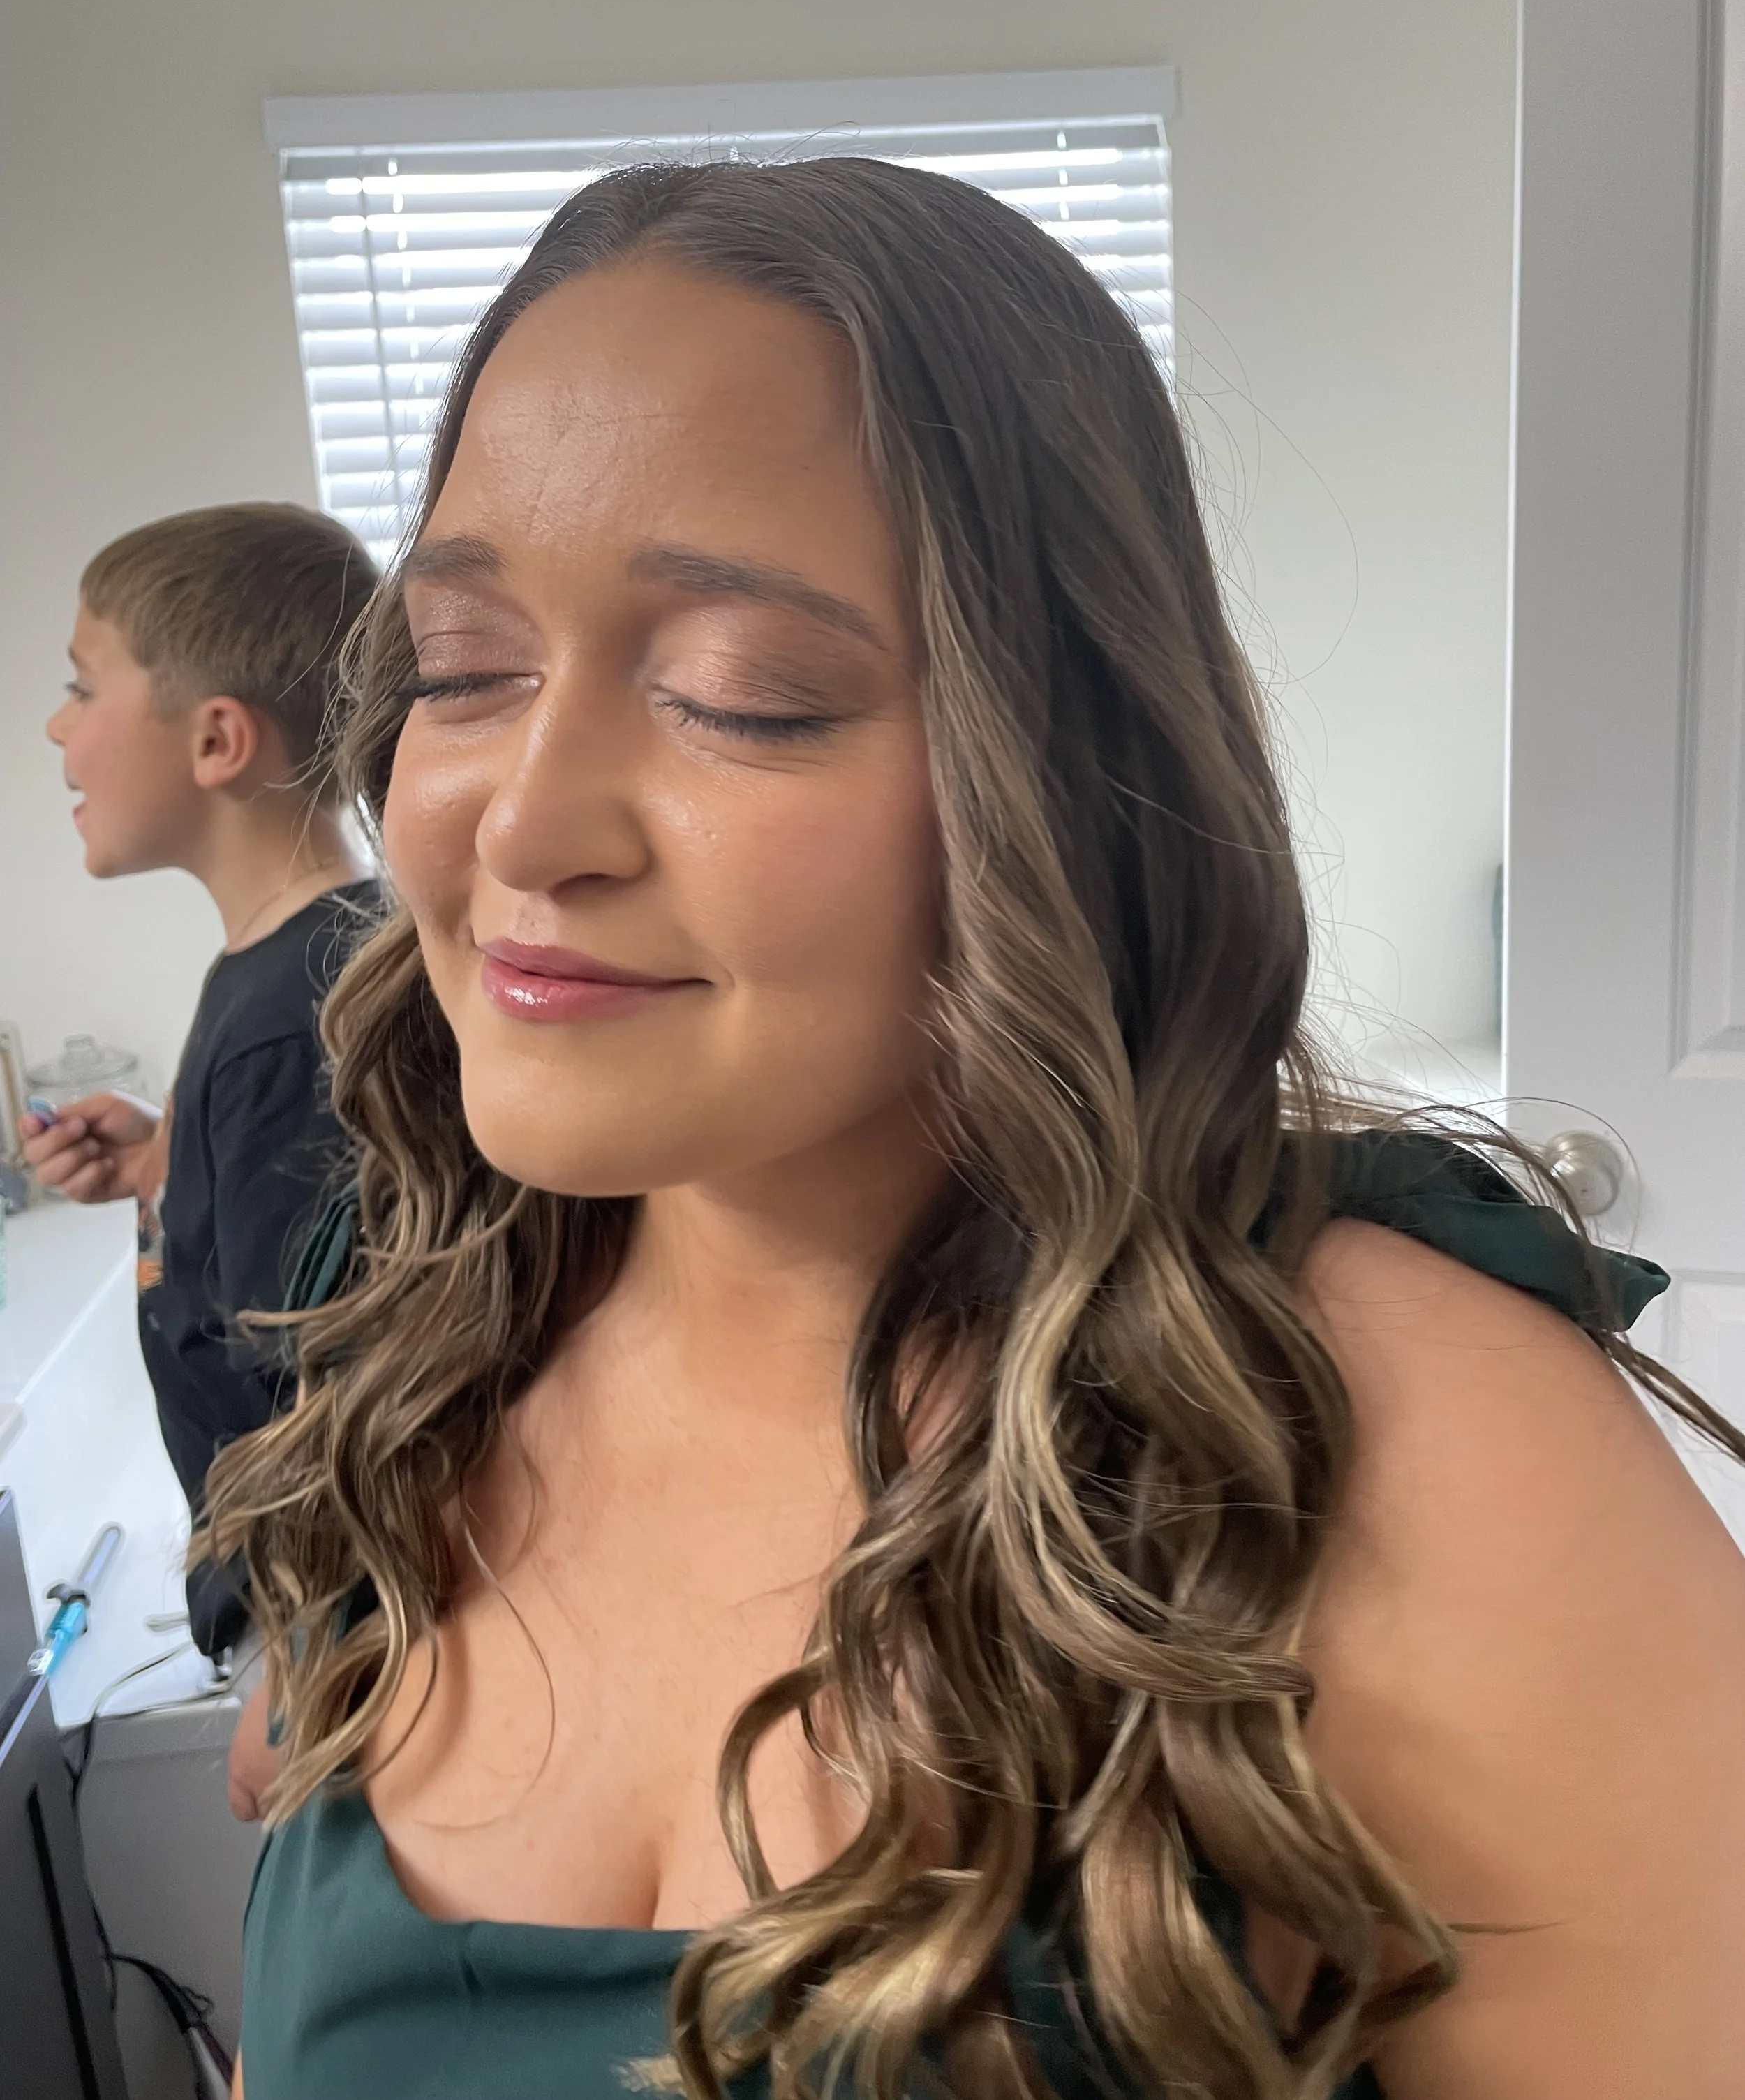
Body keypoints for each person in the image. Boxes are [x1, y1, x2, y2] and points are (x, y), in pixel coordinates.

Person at [211, 163, 1745, 2100]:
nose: (519, 827)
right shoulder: (417, 1336)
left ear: (1060, 764)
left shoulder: (1400, 1445)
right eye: (461, 669)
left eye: (736, 698)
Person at [22, 503, 378, 1655]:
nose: (53, 727)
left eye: (82, 688)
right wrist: (167, 1172)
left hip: (327, 1641)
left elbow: (335, 1408)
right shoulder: (287, 968)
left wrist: (299, 1673)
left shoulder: (291, 1027)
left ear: (218, 740)